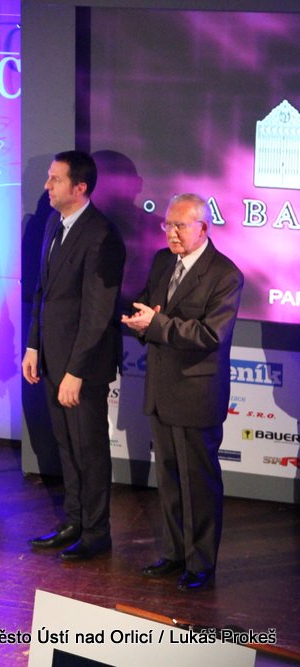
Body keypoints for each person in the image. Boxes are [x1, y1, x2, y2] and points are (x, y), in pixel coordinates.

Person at [121, 194, 242, 592]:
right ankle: (174, 555)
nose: (171, 233)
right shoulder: (162, 261)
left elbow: (210, 335)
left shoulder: (225, 274)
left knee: (198, 486)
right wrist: (138, 320)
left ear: (202, 228)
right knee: (170, 482)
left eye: (179, 226)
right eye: (167, 225)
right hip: (161, 390)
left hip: (196, 394)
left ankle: (201, 563)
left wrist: (155, 325)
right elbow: (150, 307)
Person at [23, 150, 126, 560]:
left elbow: (97, 313)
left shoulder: (102, 235)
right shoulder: (54, 223)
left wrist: (76, 371)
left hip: (82, 368)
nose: (46, 186)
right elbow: (43, 292)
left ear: (80, 187)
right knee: (66, 447)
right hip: (51, 359)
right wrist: (34, 345)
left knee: (89, 450)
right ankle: (74, 521)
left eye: (55, 179)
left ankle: (97, 532)